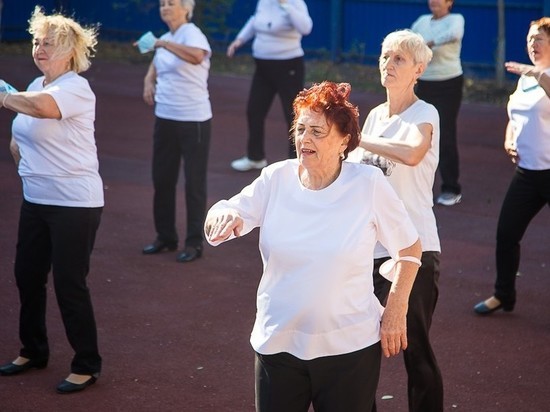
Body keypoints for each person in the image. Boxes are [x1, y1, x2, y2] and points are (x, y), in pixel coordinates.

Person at [204, 81, 422, 411]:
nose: (305, 139)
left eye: (317, 131)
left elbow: (409, 250)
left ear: (344, 141)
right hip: (278, 342)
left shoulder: (368, 184)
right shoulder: (276, 178)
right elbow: (226, 211)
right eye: (301, 128)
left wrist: (395, 308)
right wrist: (221, 216)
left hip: (349, 349)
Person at [0, 7, 102, 394]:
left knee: (69, 283)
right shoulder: (33, 83)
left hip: (75, 203)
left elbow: (42, 108)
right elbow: (20, 133)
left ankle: (87, 363)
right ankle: (33, 350)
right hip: (36, 200)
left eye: (50, 43)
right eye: (36, 42)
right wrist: (21, 155)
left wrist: (5, 97)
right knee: (26, 276)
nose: (40, 48)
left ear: (71, 51)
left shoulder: (76, 87)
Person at [348, 29, 443, 412]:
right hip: (368, 251)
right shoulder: (372, 117)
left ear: (418, 69)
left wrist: (360, 139)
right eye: (385, 56)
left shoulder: (425, 113)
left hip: (416, 250)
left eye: (399, 59)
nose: (388, 64)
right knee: (357, 348)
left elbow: (414, 152)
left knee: (414, 349)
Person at [474, 17, 550, 315]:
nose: (533, 44)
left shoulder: (538, 74)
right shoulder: (524, 78)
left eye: (540, 39)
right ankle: (503, 294)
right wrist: (509, 136)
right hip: (527, 174)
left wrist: (536, 73)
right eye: (530, 39)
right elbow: (515, 112)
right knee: (506, 234)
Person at [140, 0, 212, 263]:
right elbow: (159, 62)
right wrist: (149, 79)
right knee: (162, 179)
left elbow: (196, 56)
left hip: (193, 119)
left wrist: (162, 43)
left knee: (194, 183)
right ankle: (166, 237)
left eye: (171, 3)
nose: (165, 7)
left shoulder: (190, 33)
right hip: (165, 117)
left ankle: (194, 243)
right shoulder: (167, 37)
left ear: (186, 9)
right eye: (162, 4)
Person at [227, 0, 313, 172]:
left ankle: (296, 161)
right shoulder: (263, 2)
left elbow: (306, 28)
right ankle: (255, 157)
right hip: (263, 67)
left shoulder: (295, 3)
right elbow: (254, 21)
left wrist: (285, 5)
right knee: (254, 111)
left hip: (288, 67)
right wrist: (239, 39)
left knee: (293, 115)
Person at [411, 0, 464, 206]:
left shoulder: (456, 20)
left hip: (448, 84)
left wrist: (427, 43)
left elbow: (454, 35)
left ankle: (451, 188)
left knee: (445, 134)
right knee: (418, 133)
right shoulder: (422, 21)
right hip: (423, 84)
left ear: (449, 2)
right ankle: (420, 186)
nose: (433, 1)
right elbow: (409, 40)